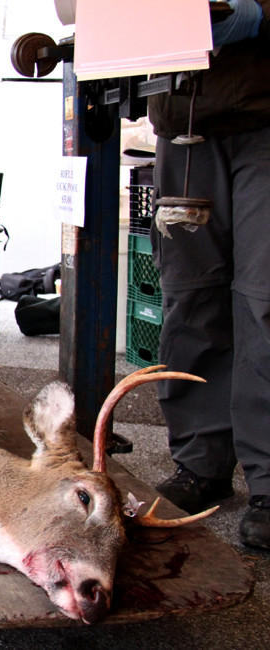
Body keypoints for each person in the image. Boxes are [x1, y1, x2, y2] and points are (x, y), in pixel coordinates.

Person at [148, 0, 270, 550]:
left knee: (263, 300)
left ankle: (269, 484)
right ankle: (201, 461)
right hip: (183, 112)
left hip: (263, 113)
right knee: (190, 297)